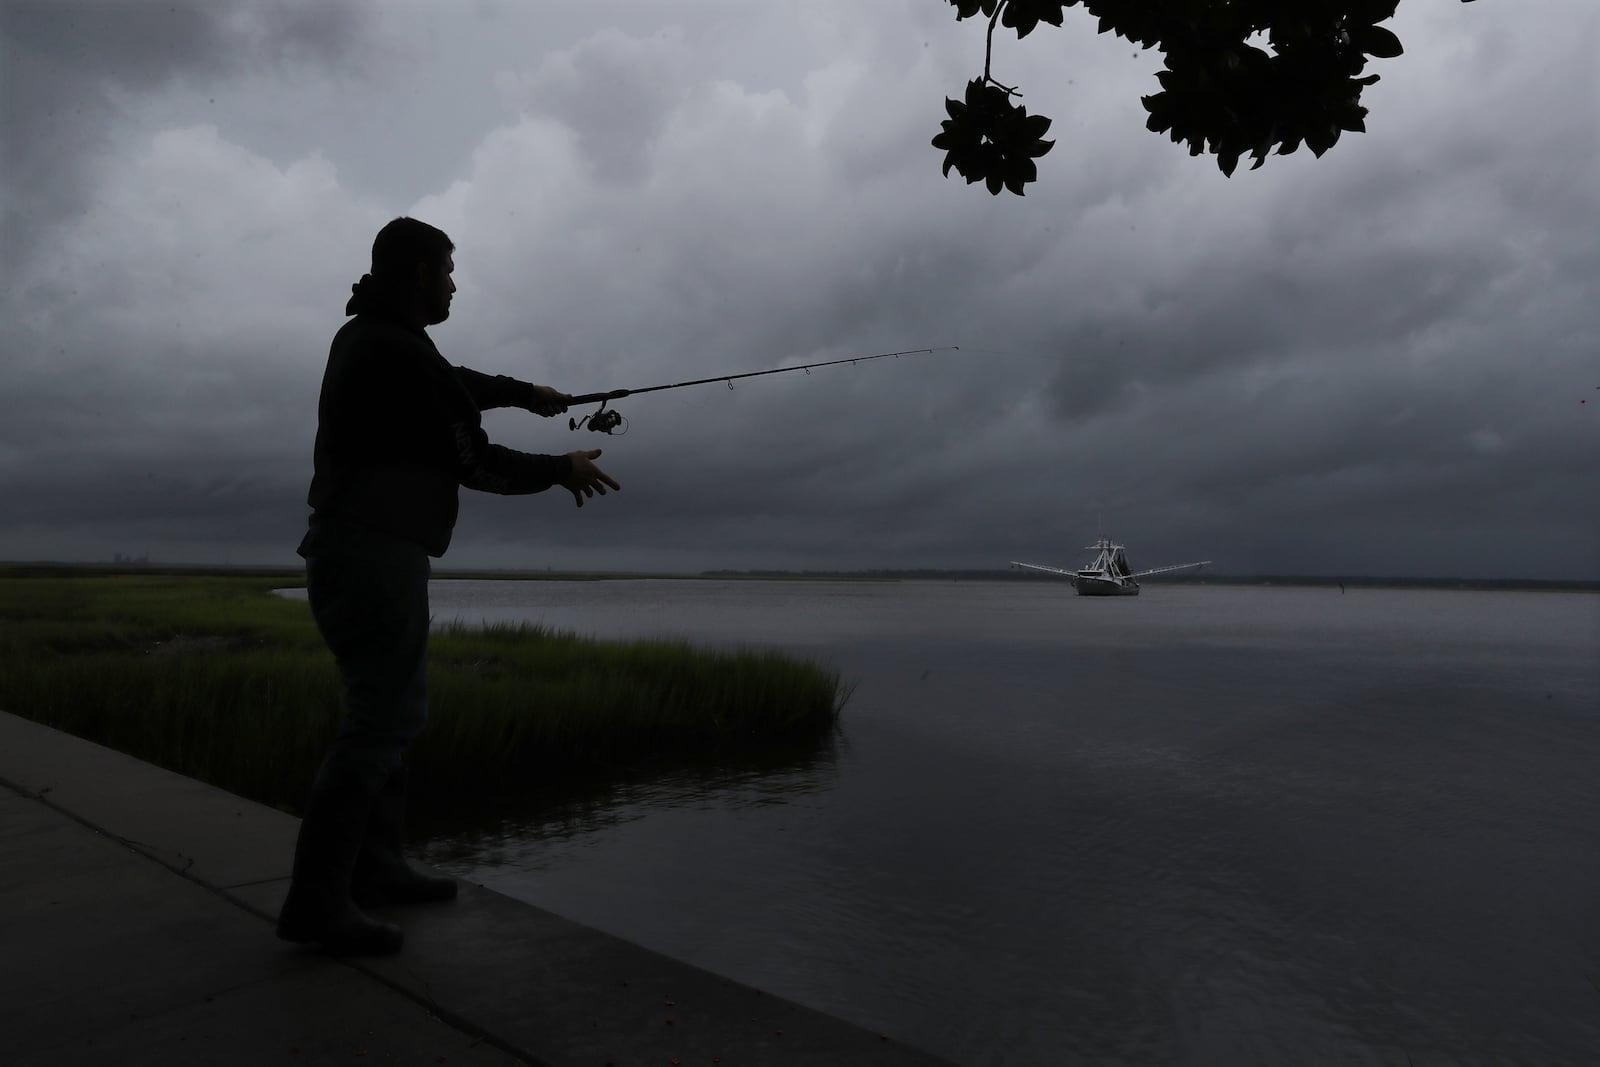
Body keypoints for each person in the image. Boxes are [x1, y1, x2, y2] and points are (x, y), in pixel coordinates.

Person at [276, 217, 620, 955]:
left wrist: (529, 392)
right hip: (372, 553)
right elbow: (475, 459)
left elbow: (455, 386)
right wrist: (560, 468)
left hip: (369, 548)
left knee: (392, 711)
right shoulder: (392, 350)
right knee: (378, 721)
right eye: (448, 270)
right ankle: (318, 901)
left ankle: (379, 869)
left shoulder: (378, 340)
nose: (455, 282)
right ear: (419, 275)